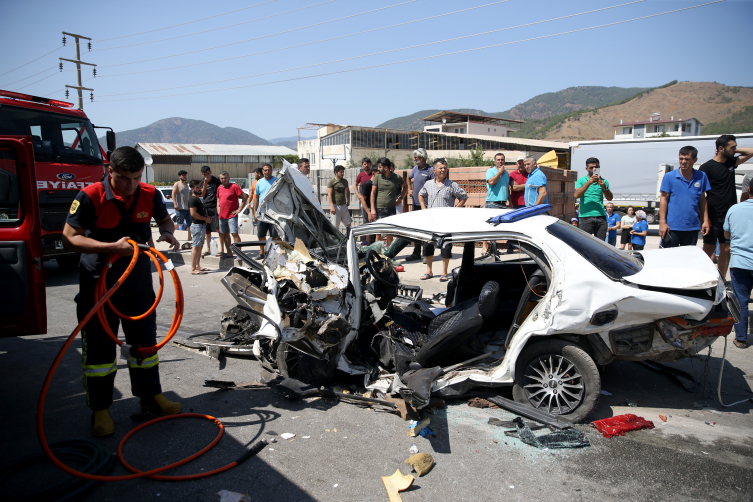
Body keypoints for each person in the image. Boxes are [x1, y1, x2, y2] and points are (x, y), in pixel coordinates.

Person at [62, 146, 182, 437]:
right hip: (98, 281)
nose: (130, 185)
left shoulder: (150, 193)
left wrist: (167, 231)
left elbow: (164, 219)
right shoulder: (90, 196)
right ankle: (101, 409)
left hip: (137, 279)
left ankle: (151, 397)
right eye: (124, 178)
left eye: (136, 178)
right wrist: (111, 248)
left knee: (144, 342)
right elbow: (69, 238)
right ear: (110, 171)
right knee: (101, 348)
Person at [700, 135, 753, 277]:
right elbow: (702, 195)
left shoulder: (731, 162)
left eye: (736, 147)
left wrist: (734, 150)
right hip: (713, 214)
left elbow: (751, 151)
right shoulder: (706, 167)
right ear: (721, 148)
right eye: (732, 147)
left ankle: (721, 280)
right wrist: (705, 219)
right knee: (709, 249)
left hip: (730, 214)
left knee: (727, 249)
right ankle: (703, 277)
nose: (735, 149)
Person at [417, 159, 467, 281]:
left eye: (445, 168)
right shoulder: (429, 184)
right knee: (428, 245)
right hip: (431, 221)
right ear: (434, 170)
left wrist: (455, 209)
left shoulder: (452, 185)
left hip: (446, 222)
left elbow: (464, 196)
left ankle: (444, 272)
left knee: (446, 247)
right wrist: (424, 208)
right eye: (440, 168)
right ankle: (429, 271)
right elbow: (421, 194)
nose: (443, 170)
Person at [658, 146, 711, 248]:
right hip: (671, 227)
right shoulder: (669, 176)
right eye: (681, 158)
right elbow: (664, 199)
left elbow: (702, 200)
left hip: (692, 227)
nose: (683, 162)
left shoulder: (701, 176)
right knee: (668, 259)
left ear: (695, 160)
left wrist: (705, 221)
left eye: (687, 159)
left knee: (687, 260)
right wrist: (662, 222)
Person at [724, 182, 753, 349]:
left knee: (741, 301)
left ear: (748, 190)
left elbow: (727, 234)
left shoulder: (734, 209)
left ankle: (741, 338)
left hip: (740, 262)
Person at [405, 148, 435, 261]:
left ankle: (427, 255)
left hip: (426, 205)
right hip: (416, 204)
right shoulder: (415, 169)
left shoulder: (431, 170)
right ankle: (416, 253)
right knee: (416, 229)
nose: (414, 159)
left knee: (427, 231)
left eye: (415, 157)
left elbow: (435, 185)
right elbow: (408, 177)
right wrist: (409, 188)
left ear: (421, 158)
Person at [369, 158, 407, 245]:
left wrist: (401, 198)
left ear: (385, 168)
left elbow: (405, 186)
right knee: (378, 234)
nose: (378, 169)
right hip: (379, 209)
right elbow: (372, 194)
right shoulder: (377, 177)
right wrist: (373, 209)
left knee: (390, 233)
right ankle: (377, 254)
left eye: (380, 167)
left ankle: (389, 255)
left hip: (391, 209)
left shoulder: (396, 177)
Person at [574, 157, 613, 240]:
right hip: (585, 217)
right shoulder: (581, 180)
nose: (594, 169)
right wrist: (588, 182)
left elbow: (610, 198)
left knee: (601, 244)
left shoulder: (604, 181)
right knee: (584, 243)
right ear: (586, 169)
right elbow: (576, 195)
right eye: (591, 168)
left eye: (596, 167)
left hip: (601, 216)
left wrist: (604, 187)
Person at [217, 170, 248, 259]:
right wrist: (218, 209)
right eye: (222, 178)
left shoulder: (234, 187)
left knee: (234, 234)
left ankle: (239, 254)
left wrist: (239, 209)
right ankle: (229, 252)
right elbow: (218, 199)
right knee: (225, 234)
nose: (224, 180)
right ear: (220, 179)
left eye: (225, 178)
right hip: (222, 216)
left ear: (229, 178)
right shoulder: (219, 188)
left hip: (231, 215)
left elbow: (244, 197)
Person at [253, 163, 278, 257]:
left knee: (274, 235)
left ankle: (273, 254)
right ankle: (262, 253)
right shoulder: (259, 182)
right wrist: (255, 211)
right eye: (265, 170)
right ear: (262, 171)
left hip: (273, 213)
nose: (267, 172)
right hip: (262, 213)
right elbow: (256, 197)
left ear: (271, 170)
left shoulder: (277, 181)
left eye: (268, 170)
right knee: (261, 234)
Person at [188, 180, 211, 275]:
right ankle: (193, 268)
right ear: (192, 189)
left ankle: (197, 265)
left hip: (201, 225)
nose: (199, 189)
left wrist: (206, 218)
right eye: (197, 187)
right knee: (196, 247)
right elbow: (193, 213)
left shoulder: (197, 199)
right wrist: (204, 219)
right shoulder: (193, 199)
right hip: (197, 226)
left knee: (200, 246)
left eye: (199, 187)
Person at [200, 166, 222, 257]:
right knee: (207, 229)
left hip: (215, 206)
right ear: (202, 174)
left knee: (218, 228)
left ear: (211, 172)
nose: (207, 175)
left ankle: (221, 249)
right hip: (206, 206)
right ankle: (208, 249)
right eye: (205, 174)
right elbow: (202, 194)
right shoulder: (202, 181)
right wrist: (205, 183)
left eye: (208, 173)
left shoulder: (217, 180)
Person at [354, 158, 375, 244]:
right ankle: (367, 239)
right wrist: (358, 194)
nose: (366, 165)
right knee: (366, 221)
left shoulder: (374, 174)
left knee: (374, 220)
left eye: (368, 163)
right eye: (365, 164)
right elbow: (355, 184)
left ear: (370, 164)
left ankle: (374, 240)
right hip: (364, 201)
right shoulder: (361, 175)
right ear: (362, 165)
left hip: (373, 201)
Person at [328, 165, 352, 234]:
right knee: (335, 226)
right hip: (336, 206)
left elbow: (347, 191)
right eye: (340, 172)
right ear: (336, 172)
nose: (342, 174)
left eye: (343, 172)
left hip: (344, 206)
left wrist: (348, 200)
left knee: (348, 224)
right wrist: (332, 206)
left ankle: (348, 240)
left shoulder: (345, 181)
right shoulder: (332, 182)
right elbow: (329, 194)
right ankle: (337, 242)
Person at [171, 169, 192, 242]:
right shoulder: (177, 184)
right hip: (180, 208)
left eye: (185, 175)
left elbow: (188, 195)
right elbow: (173, 194)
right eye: (183, 175)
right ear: (179, 176)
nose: (184, 177)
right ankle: (170, 234)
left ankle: (189, 237)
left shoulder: (187, 185)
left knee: (190, 223)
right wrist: (175, 204)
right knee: (179, 223)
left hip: (187, 208)